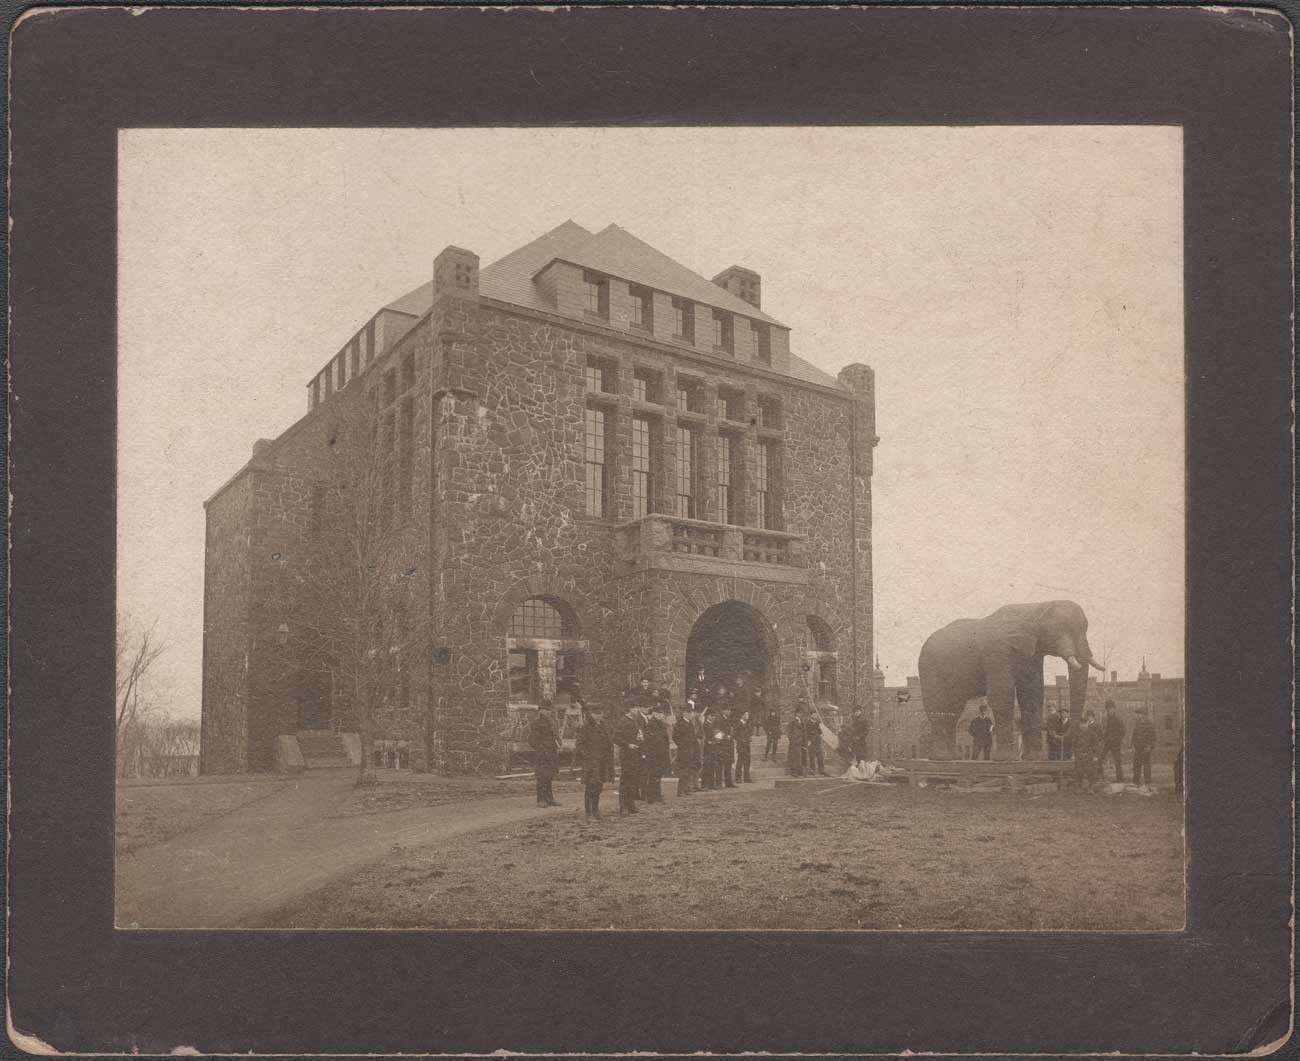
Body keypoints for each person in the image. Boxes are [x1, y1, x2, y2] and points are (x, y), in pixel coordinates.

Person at [574, 702, 614, 818]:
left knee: (599, 786)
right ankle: (588, 811)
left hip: (602, 761)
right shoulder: (586, 727)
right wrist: (587, 755)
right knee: (590, 786)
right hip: (591, 761)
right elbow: (579, 744)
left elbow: (608, 741)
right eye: (596, 714)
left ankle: (595, 809)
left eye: (600, 713)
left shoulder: (604, 725)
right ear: (591, 714)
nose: (599, 716)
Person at [613, 699, 646, 815]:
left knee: (634, 780)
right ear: (630, 709)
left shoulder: (635, 721)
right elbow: (616, 738)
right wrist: (627, 744)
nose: (637, 710)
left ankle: (631, 804)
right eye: (635, 708)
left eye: (638, 707)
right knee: (626, 780)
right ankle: (623, 806)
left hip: (635, 754)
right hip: (627, 754)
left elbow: (636, 735)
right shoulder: (623, 721)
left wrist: (640, 738)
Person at [529, 700, 562, 807]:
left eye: (549, 710)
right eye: (546, 710)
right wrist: (541, 749)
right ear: (541, 711)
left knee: (549, 776)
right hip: (542, 755)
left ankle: (549, 798)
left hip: (551, 753)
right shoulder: (536, 723)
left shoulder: (552, 722)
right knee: (542, 777)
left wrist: (558, 744)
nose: (548, 712)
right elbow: (532, 740)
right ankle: (541, 800)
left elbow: (555, 737)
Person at [643, 702, 671, 803]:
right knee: (653, 775)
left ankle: (657, 794)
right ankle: (651, 796)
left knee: (658, 775)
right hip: (653, 754)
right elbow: (651, 740)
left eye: (661, 713)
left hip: (661, 753)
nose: (661, 715)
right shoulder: (651, 724)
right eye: (658, 713)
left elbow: (665, 740)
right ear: (654, 713)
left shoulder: (661, 724)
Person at [1072, 709, 1103, 793]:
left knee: (1091, 772)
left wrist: (1096, 756)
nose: (1083, 726)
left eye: (1084, 724)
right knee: (1078, 771)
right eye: (1081, 724)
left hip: (1089, 755)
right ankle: (1079, 787)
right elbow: (1073, 745)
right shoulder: (1077, 734)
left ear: (1087, 724)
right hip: (1079, 755)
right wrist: (1073, 755)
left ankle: (1090, 787)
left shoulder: (1093, 734)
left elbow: (1096, 746)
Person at [672, 702, 700, 796]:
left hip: (691, 750)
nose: (690, 714)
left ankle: (686, 789)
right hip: (683, 751)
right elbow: (675, 737)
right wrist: (683, 745)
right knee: (683, 771)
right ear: (684, 713)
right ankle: (680, 791)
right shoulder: (679, 723)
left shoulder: (690, 724)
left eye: (691, 712)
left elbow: (693, 737)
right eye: (688, 712)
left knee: (689, 770)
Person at [1130, 704, 1157, 791]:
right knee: (1136, 765)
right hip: (1138, 747)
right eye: (1138, 713)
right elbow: (1134, 734)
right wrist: (1132, 744)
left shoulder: (1150, 724)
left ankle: (1147, 783)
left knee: (1146, 765)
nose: (1138, 715)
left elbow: (1153, 737)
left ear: (1144, 714)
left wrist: (1149, 746)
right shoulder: (1137, 723)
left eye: (1139, 713)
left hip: (1146, 748)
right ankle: (1136, 782)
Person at [701, 706, 726, 790]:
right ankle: (704, 785)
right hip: (708, 749)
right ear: (707, 716)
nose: (713, 717)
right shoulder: (704, 725)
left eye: (714, 716)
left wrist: (717, 737)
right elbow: (707, 736)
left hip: (715, 748)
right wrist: (715, 737)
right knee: (707, 767)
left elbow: (720, 734)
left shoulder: (715, 725)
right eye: (711, 716)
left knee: (712, 766)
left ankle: (711, 784)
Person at [1102, 700, 1126, 781]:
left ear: (1114, 709)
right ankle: (1099, 775)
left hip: (1116, 743)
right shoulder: (1106, 719)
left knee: (1117, 761)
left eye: (1111, 709)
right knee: (1100, 757)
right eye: (1108, 709)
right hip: (1107, 743)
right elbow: (1105, 730)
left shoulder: (1118, 719)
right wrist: (1104, 738)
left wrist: (1117, 740)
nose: (1109, 711)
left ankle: (1120, 779)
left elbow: (1123, 731)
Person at [805, 705, 828, 776]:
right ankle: (812, 770)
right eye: (813, 715)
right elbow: (806, 733)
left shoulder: (818, 723)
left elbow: (820, 731)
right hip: (811, 741)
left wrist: (821, 734)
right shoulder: (808, 723)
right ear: (811, 715)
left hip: (817, 741)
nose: (815, 716)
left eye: (815, 714)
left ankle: (821, 770)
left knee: (820, 756)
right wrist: (808, 741)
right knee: (811, 756)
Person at [733, 709, 754, 783]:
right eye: (746, 715)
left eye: (748, 715)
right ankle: (738, 778)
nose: (747, 716)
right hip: (741, 745)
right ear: (742, 715)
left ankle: (746, 777)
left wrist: (749, 737)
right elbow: (735, 735)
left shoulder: (748, 724)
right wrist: (741, 739)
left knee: (747, 761)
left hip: (747, 745)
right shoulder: (738, 724)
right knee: (740, 761)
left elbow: (749, 732)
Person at [786, 702, 807, 776]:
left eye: (801, 713)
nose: (801, 715)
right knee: (794, 756)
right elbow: (788, 732)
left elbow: (804, 732)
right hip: (795, 742)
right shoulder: (792, 722)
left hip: (801, 742)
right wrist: (793, 740)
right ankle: (794, 771)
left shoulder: (802, 722)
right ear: (796, 714)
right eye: (799, 713)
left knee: (800, 756)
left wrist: (804, 741)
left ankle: (799, 770)